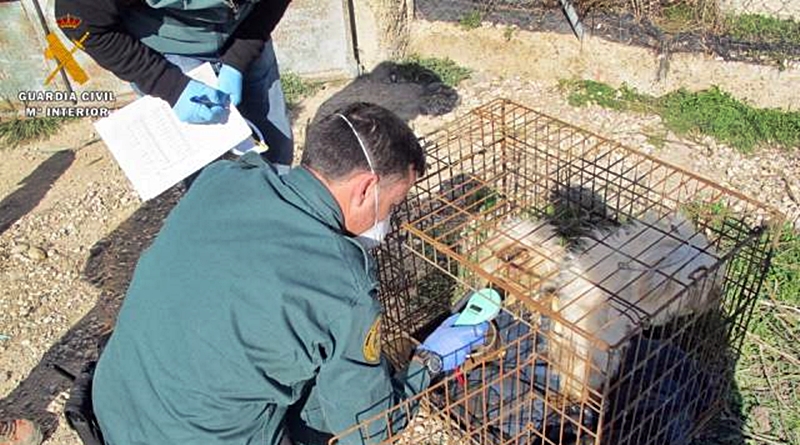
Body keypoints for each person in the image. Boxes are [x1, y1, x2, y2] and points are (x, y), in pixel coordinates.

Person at [90, 102, 489, 445]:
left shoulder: (222, 178)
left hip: (114, 406)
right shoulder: (342, 287)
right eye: (394, 203)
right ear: (366, 188)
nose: (389, 219)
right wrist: (430, 363)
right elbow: (368, 429)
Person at [54, 0, 295, 172]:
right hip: (169, 49)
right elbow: (78, 22)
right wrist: (169, 85)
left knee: (275, 148)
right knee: (205, 166)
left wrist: (240, 57)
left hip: (246, 28)